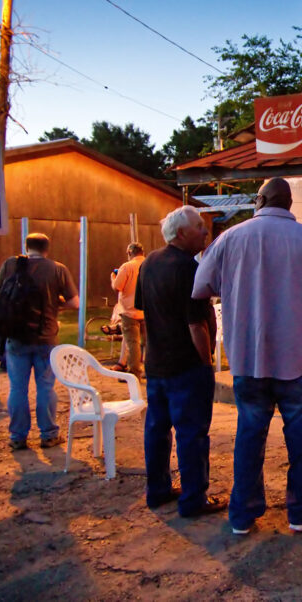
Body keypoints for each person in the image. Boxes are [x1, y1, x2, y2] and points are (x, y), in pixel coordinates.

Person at [193, 178, 302, 533]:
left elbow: (202, 288)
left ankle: (242, 516)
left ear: (259, 199)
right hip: (300, 359)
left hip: (248, 357)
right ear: (290, 204)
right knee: (300, 437)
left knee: (249, 433)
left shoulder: (230, 239)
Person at [135, 206, 222, 517]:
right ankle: (193, 499)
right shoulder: (189, 269)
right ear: (181, 233)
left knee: (157, 431)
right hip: (186, 366)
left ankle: (157, 490)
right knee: (191, 433)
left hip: (156, 364)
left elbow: (144, 313)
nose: (205, 232)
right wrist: (206, 361)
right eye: (199, 227)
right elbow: (196, 324)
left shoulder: (149, 263)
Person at [0, 233, 78, 450]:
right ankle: (48, 434)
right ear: (47, 248)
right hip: (45, 336)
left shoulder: (11, 265)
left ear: (26, 246)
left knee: (17, 388)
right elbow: (74, 303)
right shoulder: (58, 269)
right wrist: (55, 302)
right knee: (46, 387)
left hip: (16, 337)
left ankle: (18, 437)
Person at [110, 242, 145, 376]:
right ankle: (149, 370)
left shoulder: (127, 267)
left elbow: (118, 286)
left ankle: (134, 371)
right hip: (146, 310)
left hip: (130, 311)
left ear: (130, 253)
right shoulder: (149, 264)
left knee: (133, 343)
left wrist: (113, 278)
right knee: (148, 343)